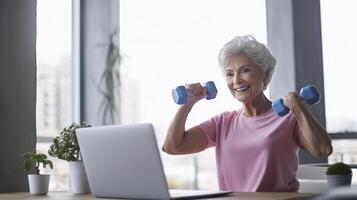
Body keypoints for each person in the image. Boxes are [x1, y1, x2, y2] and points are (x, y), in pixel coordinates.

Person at [162, 35, 332, 192]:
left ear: (264, 75)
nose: (236, 80)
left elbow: (322, 149)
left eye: (244, 70)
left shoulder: (288, 117)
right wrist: (188, 104)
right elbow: (172, 147)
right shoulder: (222, 123)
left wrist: (298, 108)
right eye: (229, 74)